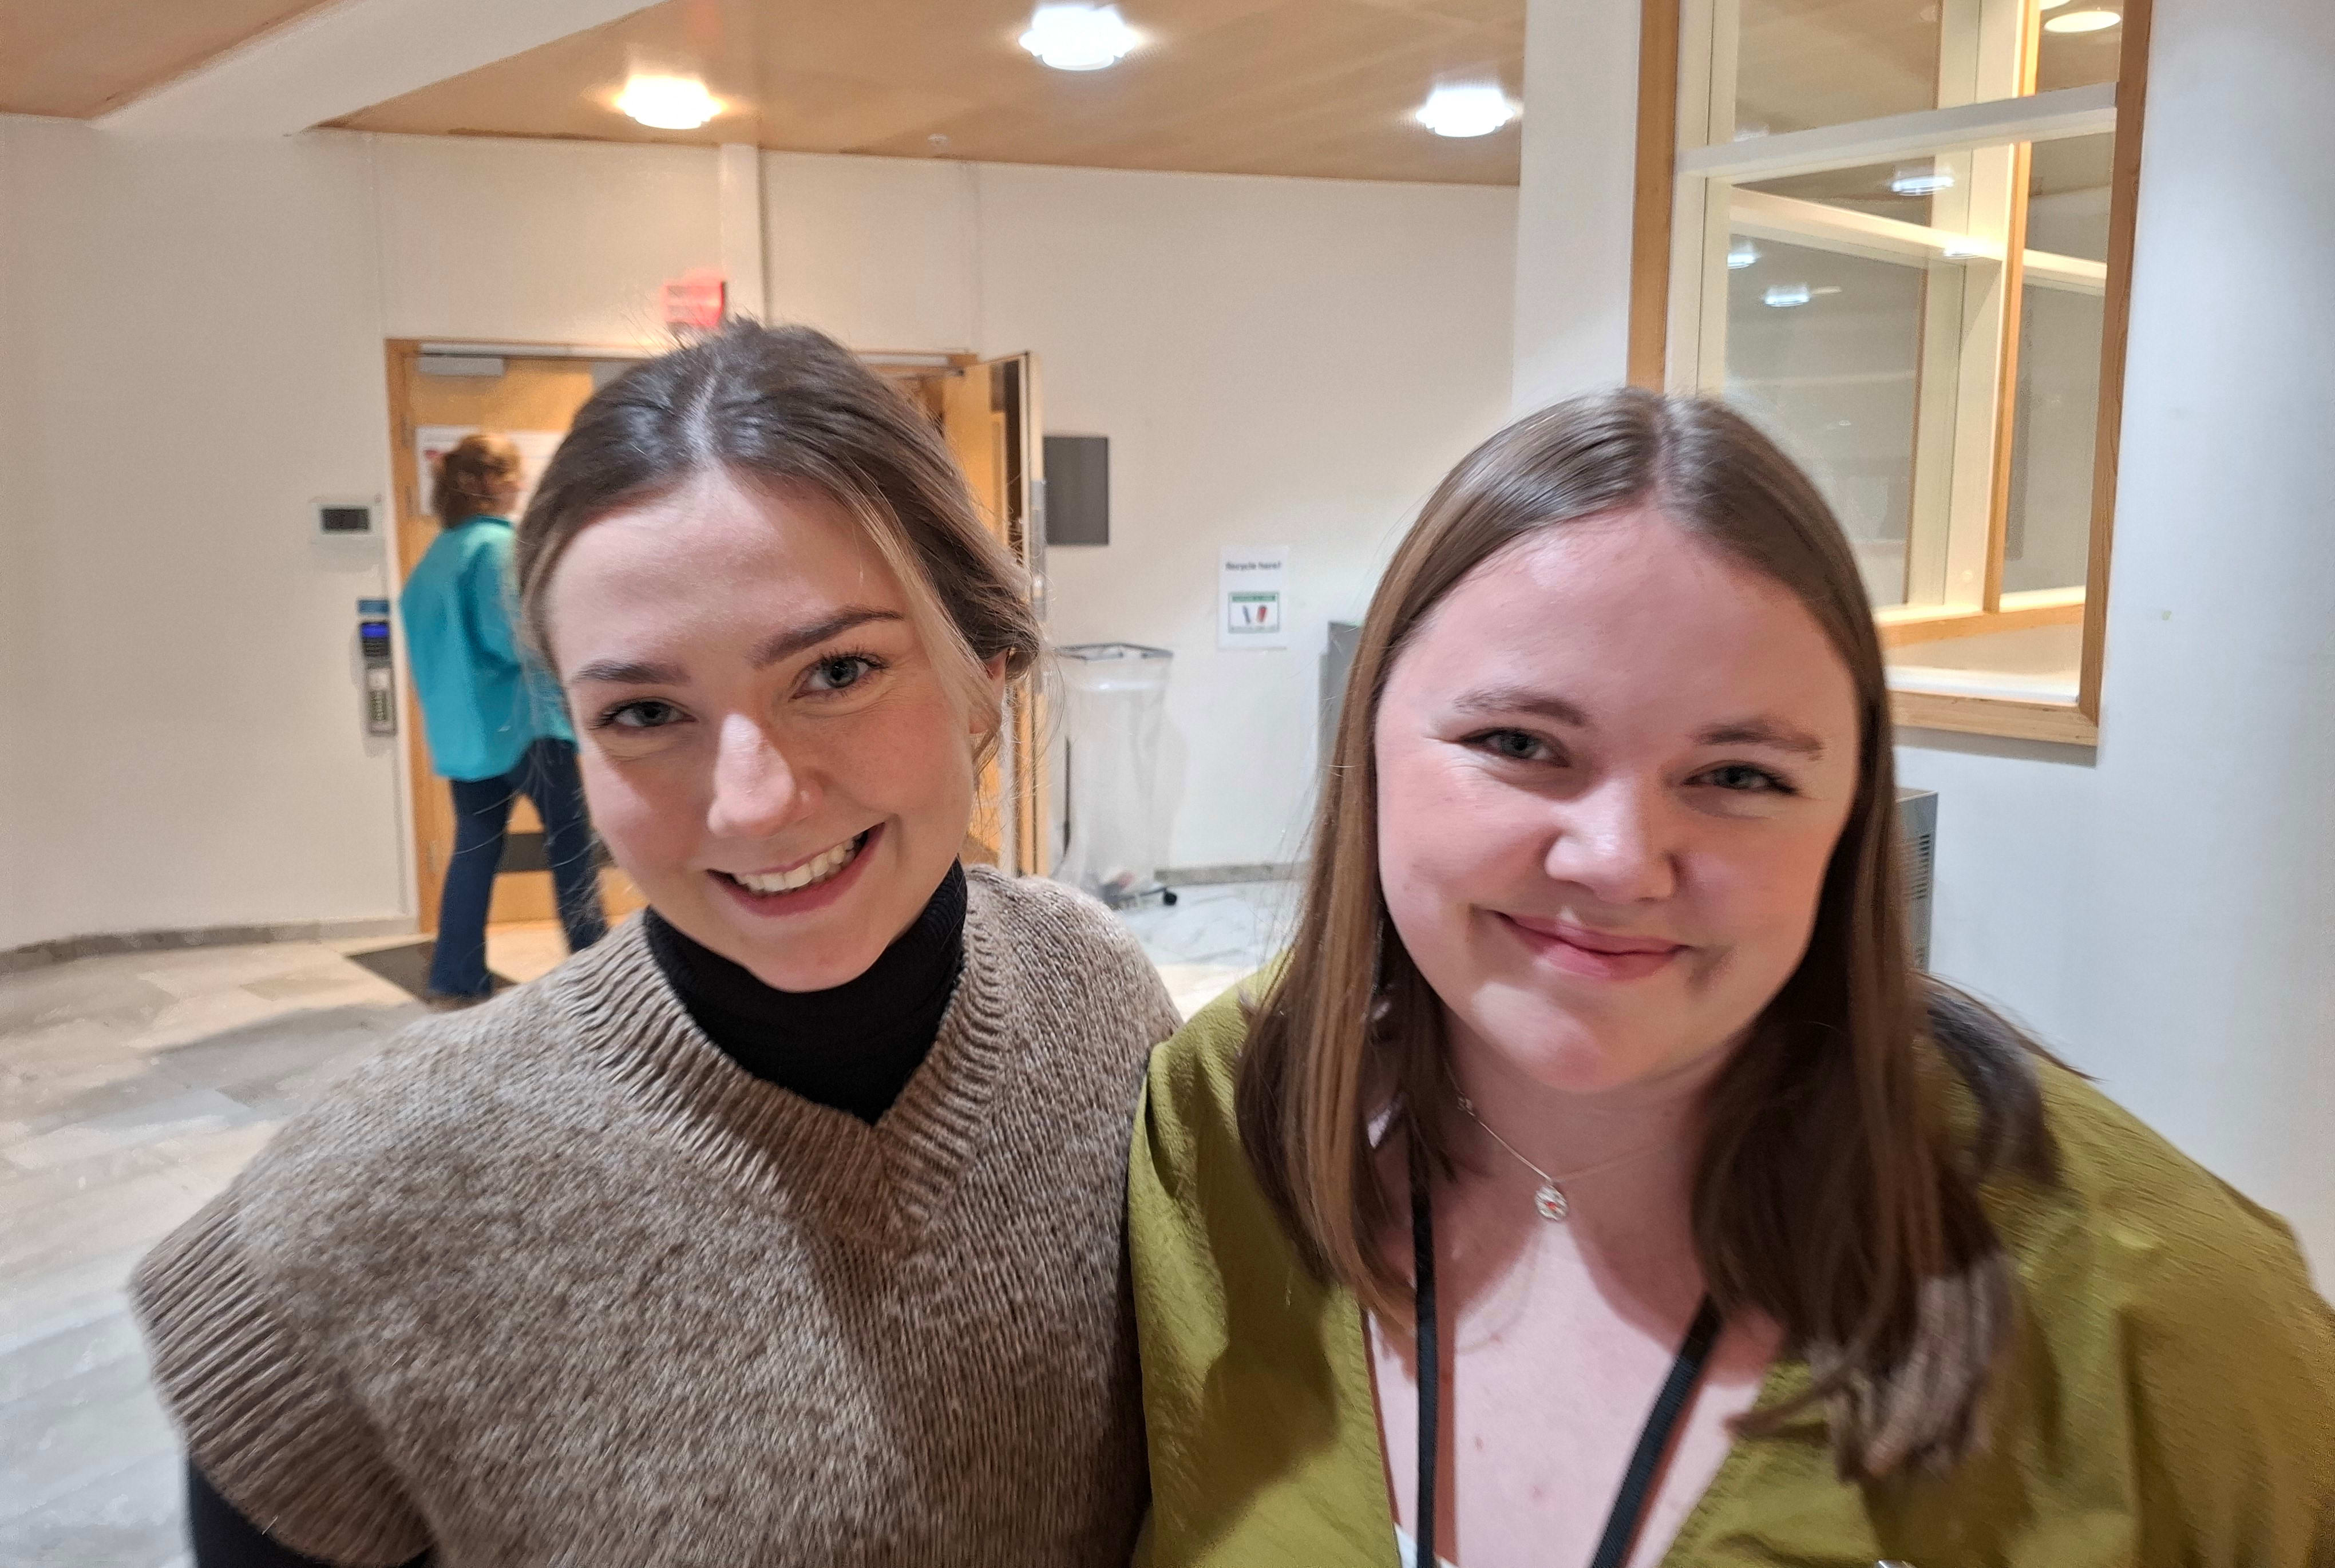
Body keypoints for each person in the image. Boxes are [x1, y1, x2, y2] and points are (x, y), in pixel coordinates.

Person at [1130, 391, 2335, 1567]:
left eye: (1740, 775)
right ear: (1367, 744)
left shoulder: (2174, 1320)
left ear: (1851, 816)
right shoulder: (1227, 1122)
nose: (1618, 861)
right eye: (1520, 744)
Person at [136, 322, 1178, 1566]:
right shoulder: (365, 1212)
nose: (753, 804)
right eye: (643, 711)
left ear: (982, 679)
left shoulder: (1099, 1001)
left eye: (838, 671)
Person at [399, 430, 607, 1003]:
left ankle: (456, 975)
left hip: (466, 739)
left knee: (474, 849)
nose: (521, 485)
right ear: (491, 483)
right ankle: (596, 970)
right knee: (571, 846)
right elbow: (511, 638)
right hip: (527, 727)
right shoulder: (496, 548)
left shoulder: (433, 561)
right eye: (514, 475)